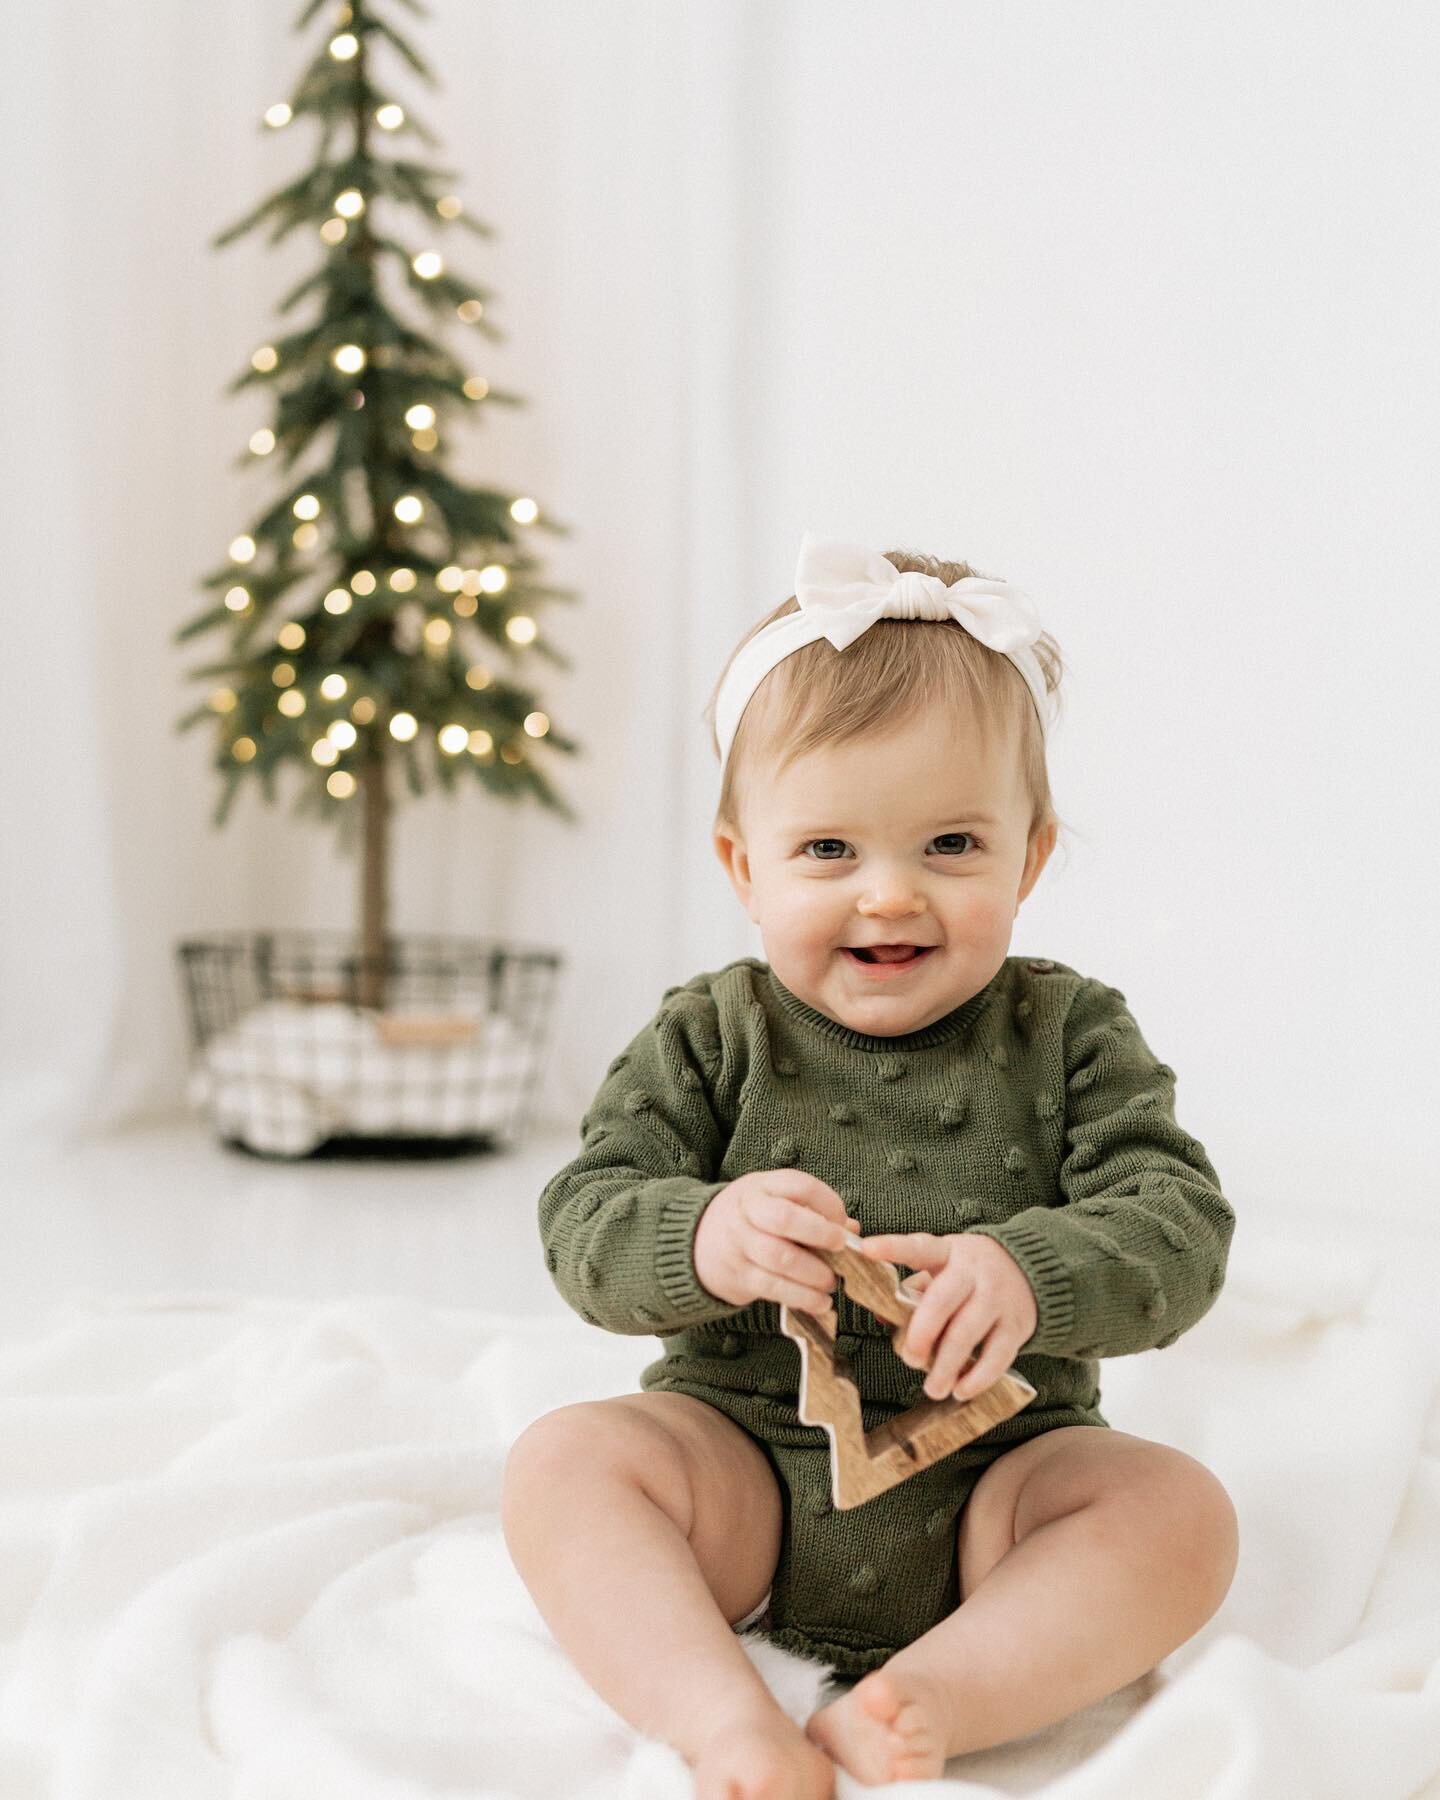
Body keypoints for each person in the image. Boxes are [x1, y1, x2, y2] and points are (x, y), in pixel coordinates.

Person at [501, 534, 1240, 1796]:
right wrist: (702, 1236)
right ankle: (720, 1717)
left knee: (1181, 1515)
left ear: (1032, 855)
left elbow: (1180, 1225)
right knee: (565, 1463)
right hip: (740, 1471)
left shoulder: (1072, 1035)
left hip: (1001, 1498)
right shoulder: (709, 1034)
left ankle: (927, 1701)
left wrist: (1034, 1268)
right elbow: (585, 1223)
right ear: (745, 866)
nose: (890, 897)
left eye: (951, 845)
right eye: (830, 851)